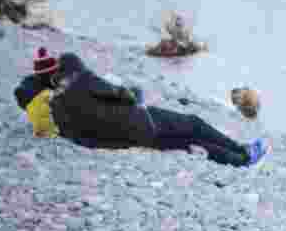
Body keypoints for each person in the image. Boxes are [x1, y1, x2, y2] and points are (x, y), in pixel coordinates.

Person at [14, 49, 270, 167]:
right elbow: (124, 96)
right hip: (139, 122)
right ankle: (242, 153)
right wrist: (134, 94)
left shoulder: (54, 109)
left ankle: (240, 160)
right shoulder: (82, 81)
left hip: (123, 140)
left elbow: (81, 138)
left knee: (188, 143)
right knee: (193, 125)